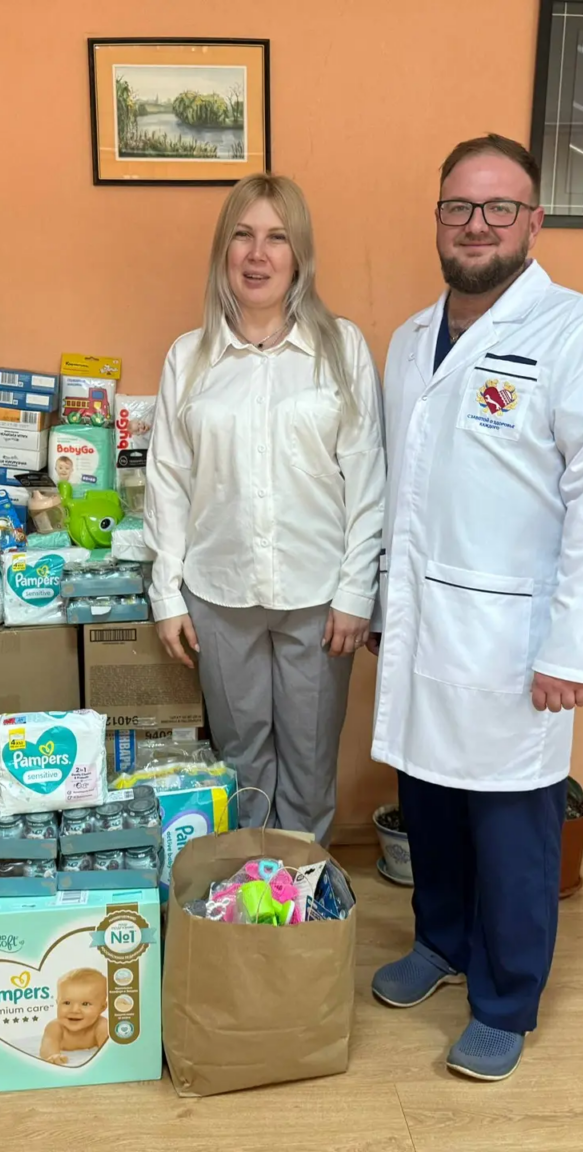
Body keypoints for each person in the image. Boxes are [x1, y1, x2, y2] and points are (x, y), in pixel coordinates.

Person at [368, 134, 583, 1082]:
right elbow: (399, 489)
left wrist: (572, 649)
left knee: (513, 825)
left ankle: (506, 1000)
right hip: (423, 623)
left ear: (533, 221)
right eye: (458, 207)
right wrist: (382, 602)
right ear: (438, 218)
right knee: (430, 799)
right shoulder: (410, 340)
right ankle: (440, 943)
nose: (475, 225)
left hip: (516, 640)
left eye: (498, 208)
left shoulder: (578, 334)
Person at [144, 173, 385, 844]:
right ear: (223, 250)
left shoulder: (341, 349)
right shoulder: (188, 359)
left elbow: (368, 478)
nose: (258, 254)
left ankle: (301, 889)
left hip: (319, 598)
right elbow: (168, 481)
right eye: (243, 236)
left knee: (309, 764)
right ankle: (250, 890)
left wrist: (356, 591)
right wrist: (166, 594)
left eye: (277, 238)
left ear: (298, 254)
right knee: (241, 762)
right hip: (218, 596)